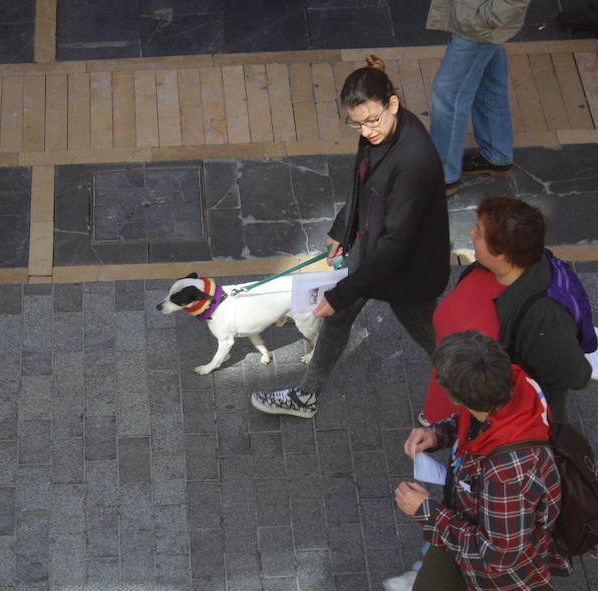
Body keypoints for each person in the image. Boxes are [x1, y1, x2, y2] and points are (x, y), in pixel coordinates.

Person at [250, 55, 450, 419]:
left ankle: (480, 401)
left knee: (436, 343)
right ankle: (306, 396)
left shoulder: (413, 160)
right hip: (374, 250)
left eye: (372, 120)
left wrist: (342, 293)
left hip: (406, 270)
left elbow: (396, 245)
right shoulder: (379, 132)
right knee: (339, 317)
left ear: (393, 103)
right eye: (356, 124)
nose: (366, 131)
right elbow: (363, 184)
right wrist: (344, 228)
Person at [389, 330, 570, 591]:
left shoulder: (506, 474)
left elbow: (499, 555)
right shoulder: (511, 386)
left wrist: (427, 511)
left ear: (458, 398)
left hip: (499, 581)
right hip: (461, 520)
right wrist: (440, 433)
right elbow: (473, 423)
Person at [421, 196, 591, 426]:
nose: (471, 234)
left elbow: (574, 375)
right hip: (461, 396)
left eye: (479, 232)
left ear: (501, 252)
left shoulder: (543, 317)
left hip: (501, 421)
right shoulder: (488, 267)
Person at [426, 0, 532, 196]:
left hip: (479, 20)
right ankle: (496, 154)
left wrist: (485, 18)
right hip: (479, 14)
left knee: (448, 94)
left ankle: (444, 175)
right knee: (488, 81)